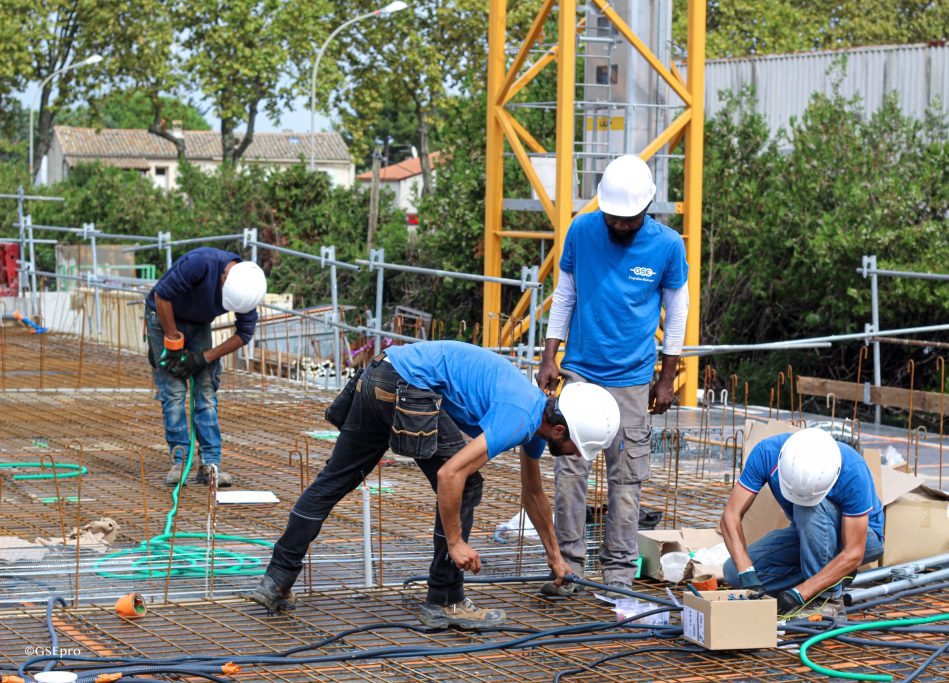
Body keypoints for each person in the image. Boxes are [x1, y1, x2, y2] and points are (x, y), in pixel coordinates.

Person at [246, 341, 621, 629]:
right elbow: (449, 475)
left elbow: (533, 495)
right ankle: (445, 598)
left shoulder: (535, 417)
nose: (574, 454)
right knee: (468, 483)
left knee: (332, 482)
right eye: (577, 447)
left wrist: (555, 558)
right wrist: (456, 542)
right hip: (410, 386)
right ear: (560, 429)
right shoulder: (520, 416)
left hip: (380, 373)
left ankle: (276, 582)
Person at [536, 154, 689, 596]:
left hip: (634, 379)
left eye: (629, 219)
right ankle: (570, 568)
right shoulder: (582, 231)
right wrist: (551, 356)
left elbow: (676, 312)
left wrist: (668, 375)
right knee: (570, 472)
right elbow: (564, 295)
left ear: (647, 208)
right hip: (581, 374)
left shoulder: (667, 245)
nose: (620, 226)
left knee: (627, 480)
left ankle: (620, 576)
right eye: (613, 218)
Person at [720, 428, 885, 617]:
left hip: (864, 540)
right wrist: (747, 574)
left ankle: (827, 599)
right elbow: (730, 516)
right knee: (733, 571)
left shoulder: (852, 470)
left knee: (807, 508)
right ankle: (834, 576)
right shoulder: (767, 453)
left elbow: (854, 552)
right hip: (809, 534)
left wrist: (802, 593)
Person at [145, 247, 266, 488]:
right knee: (174, 392)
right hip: (163, 316)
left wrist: (204, 358)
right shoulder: (200, 263)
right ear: (223, 279)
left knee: (206, 392)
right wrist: (173, 341)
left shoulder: (248, 287)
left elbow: (244, 333)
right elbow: (162, 297)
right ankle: (180, 463)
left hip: (200, 324)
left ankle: (210, 464)